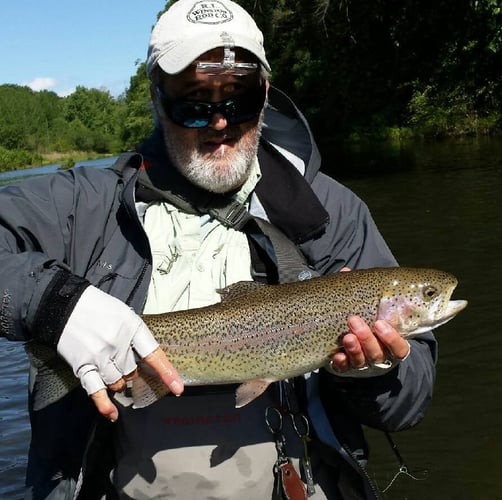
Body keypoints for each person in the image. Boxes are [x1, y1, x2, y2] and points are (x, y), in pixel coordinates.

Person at [0, 0, 437, 498]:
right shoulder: (81, 206)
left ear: (266, 95)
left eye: (239, 99)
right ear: (156, 98)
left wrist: (372, 370)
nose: (219, 123)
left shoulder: (327, 213)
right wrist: (56, 304)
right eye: (193, 102)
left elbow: (408, 408)